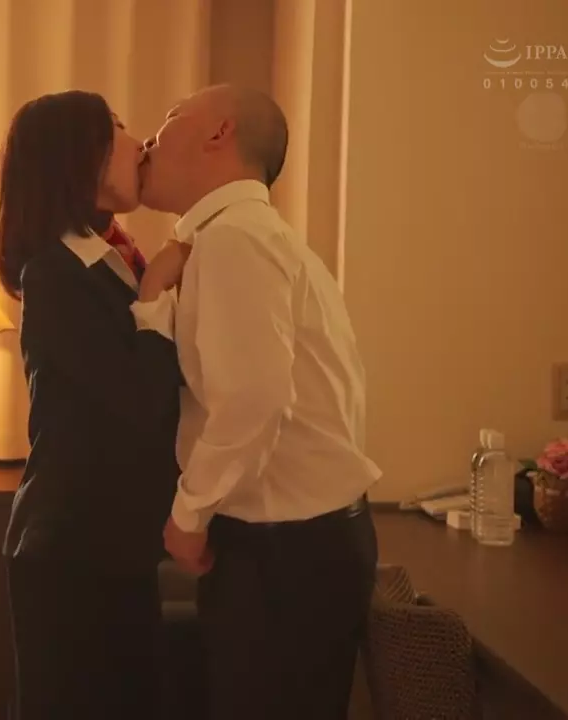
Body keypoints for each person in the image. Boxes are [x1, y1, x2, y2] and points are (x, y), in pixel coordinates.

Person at [140, 84, 382, 719]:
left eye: (169, 118)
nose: (149, 140)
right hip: (298, 546)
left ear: (219, 133)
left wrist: (188, 516)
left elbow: (253, 398)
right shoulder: (241, 237)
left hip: (285, 554)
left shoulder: (236, 240)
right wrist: (154, 295)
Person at [0, 89, 186, 720]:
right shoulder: (53, 274)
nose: (139, 143)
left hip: (110, 541)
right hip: (72, 548)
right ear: (80, 158)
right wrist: (154, 294)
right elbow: (136, 401)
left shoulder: (108, 258)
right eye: (118, 128)